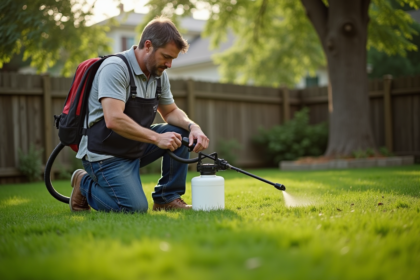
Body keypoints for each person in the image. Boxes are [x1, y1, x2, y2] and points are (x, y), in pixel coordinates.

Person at [70, 16, 209, 213]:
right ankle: (83, 182)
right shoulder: (115, 68)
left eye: (172, 59)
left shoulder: (159, 75)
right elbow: (113, 119)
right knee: (133, 208)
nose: (169, 65)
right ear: (148, 45)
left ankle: (166, 198)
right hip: (105, 154)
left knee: (182, 133)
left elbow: (170, 112)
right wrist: (156, 138)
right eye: (166, 57)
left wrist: (194, 127)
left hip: (134, 146)